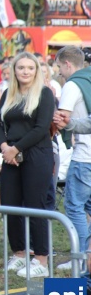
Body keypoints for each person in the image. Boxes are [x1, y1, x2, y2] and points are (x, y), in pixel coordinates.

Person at [0, 52, 54, 278]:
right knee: (10, 204)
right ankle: (19, 253)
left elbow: (41, 128)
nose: (25, 71)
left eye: (30, 67)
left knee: (35, 205)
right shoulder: (8, 93)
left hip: (37, 154)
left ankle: (41, 259)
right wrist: (4, 147)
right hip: (10, 155)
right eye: (21, 67)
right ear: (14, 70)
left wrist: (15, 149)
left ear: (36, 70)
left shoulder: (44, 93)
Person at [53, 46, 91, 271]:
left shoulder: (72, 84)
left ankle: (81, 259)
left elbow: (62, 118)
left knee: (74, 208)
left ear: (68, 64)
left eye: (59, 66)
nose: (59, 72)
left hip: (84, 157)